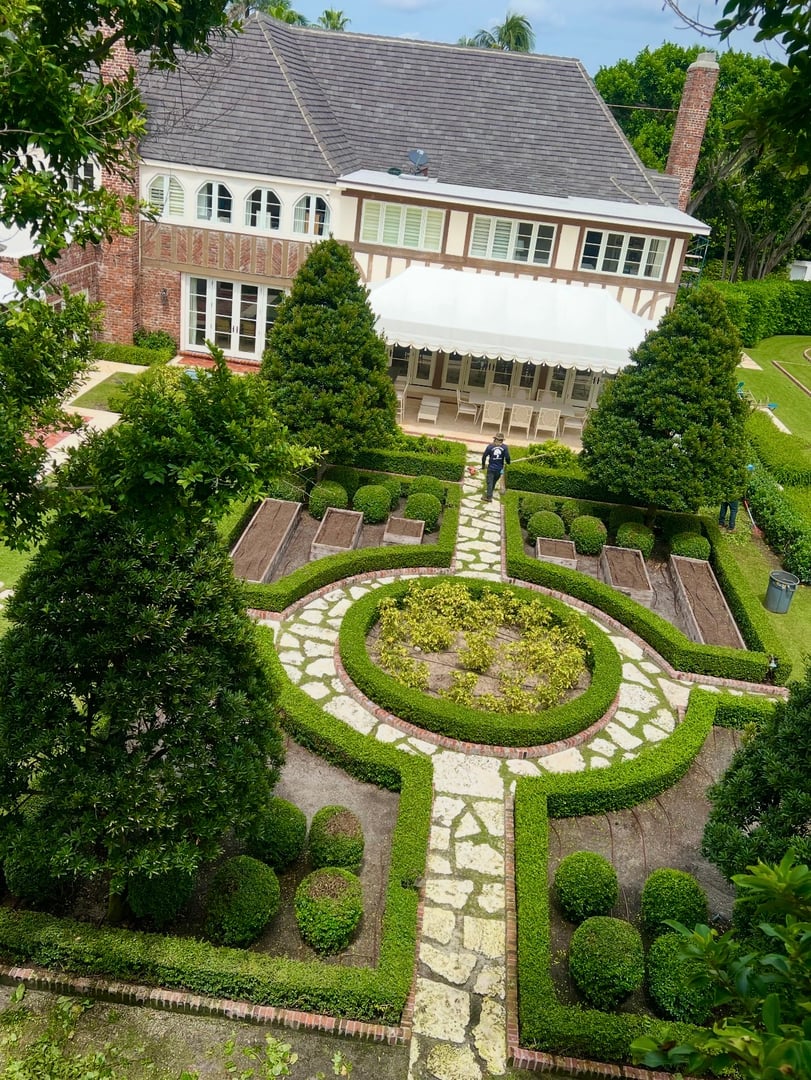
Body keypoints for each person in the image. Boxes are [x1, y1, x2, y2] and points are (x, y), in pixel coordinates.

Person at [481, 432, 510, 501]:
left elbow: (484, 457)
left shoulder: (490, 447)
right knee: (494, 481)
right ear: (502, 440)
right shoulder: (505, 447)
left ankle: (488, 497)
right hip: (500, 469)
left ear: (495, 439)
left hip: (491, 468)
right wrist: (508, 462)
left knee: (489, 482)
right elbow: (507, 457)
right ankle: (490, 491)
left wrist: (483, 465)